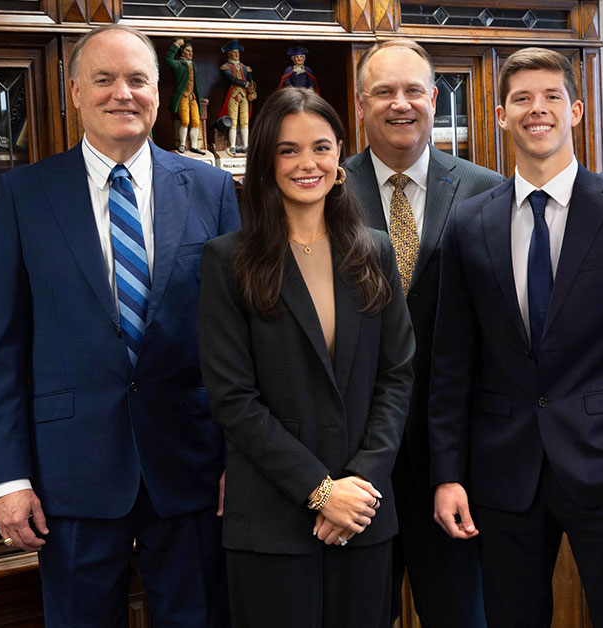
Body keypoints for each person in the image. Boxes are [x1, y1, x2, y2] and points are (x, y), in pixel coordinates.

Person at [0, 24, 241, 627]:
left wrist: (238, 459)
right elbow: (0, 350)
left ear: (159, 91)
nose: (122, 93)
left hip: (191, 469)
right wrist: (8, 480)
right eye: (104, 79)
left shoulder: (211, 188)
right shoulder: (25, 194)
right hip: (69, 474)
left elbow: (234, 340)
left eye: (138, 80)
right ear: (74, 91)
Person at [429, 47, 603, 628]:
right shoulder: (470, 223)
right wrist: (448, 472)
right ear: (499, 115)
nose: (537, 110)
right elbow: (452, 363)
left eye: (551, 97)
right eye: (521, 99)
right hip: (502, 473)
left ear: (576, 111)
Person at [197, 87, 415, 628]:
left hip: (364, 515)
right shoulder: (228, 260)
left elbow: (396, 377)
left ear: (340, 152)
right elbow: (234, 400)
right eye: (288, 150)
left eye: (320, 147)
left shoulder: (375, 249)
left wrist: (357, 488)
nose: (307, 163)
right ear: (266, 159)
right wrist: (320, 492)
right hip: (272, 520)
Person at [344, 39, 502, 628]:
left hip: (455, 454)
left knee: (460, 612)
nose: (400, 104)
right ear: (361, 105)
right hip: (355, 452)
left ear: (436, 99)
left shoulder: (487, 190)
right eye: (383, 92)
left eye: (413, 90)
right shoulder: (326, 190)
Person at [166, 37, 204, 154]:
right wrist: (176, 45)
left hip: (192, 97)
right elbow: (168, 59)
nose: (190, 53)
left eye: (191, 51)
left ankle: (194, 145)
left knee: (196, 121)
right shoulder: (179, 65)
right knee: (185, 121)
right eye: (188, 51)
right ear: (182, 52)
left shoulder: (194, 66)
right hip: (183, 96)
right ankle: (182, 144)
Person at [218, 40, 254, 155]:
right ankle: (232, 146)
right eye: (234, 53)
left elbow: (251, 81)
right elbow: (230, 79)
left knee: (244, 121)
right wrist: (244, 84)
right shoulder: (225, 67)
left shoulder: (245, 68)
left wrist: (252, 91)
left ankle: (245, 145)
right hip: (232, 95)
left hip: (244, 97)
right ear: (229, 54)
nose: (236, 55)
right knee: (232, 121)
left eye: (237, 52)